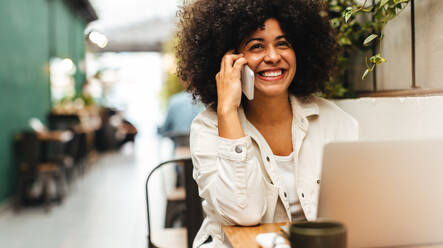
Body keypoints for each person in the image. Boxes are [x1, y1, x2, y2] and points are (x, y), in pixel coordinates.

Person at [175, 0, 359, 247]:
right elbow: (244, 214)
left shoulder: (336, 122)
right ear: (229, 60)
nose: (273, 57)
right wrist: (227, 111)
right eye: (256, 46)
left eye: (282, 44)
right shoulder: (207, 128)